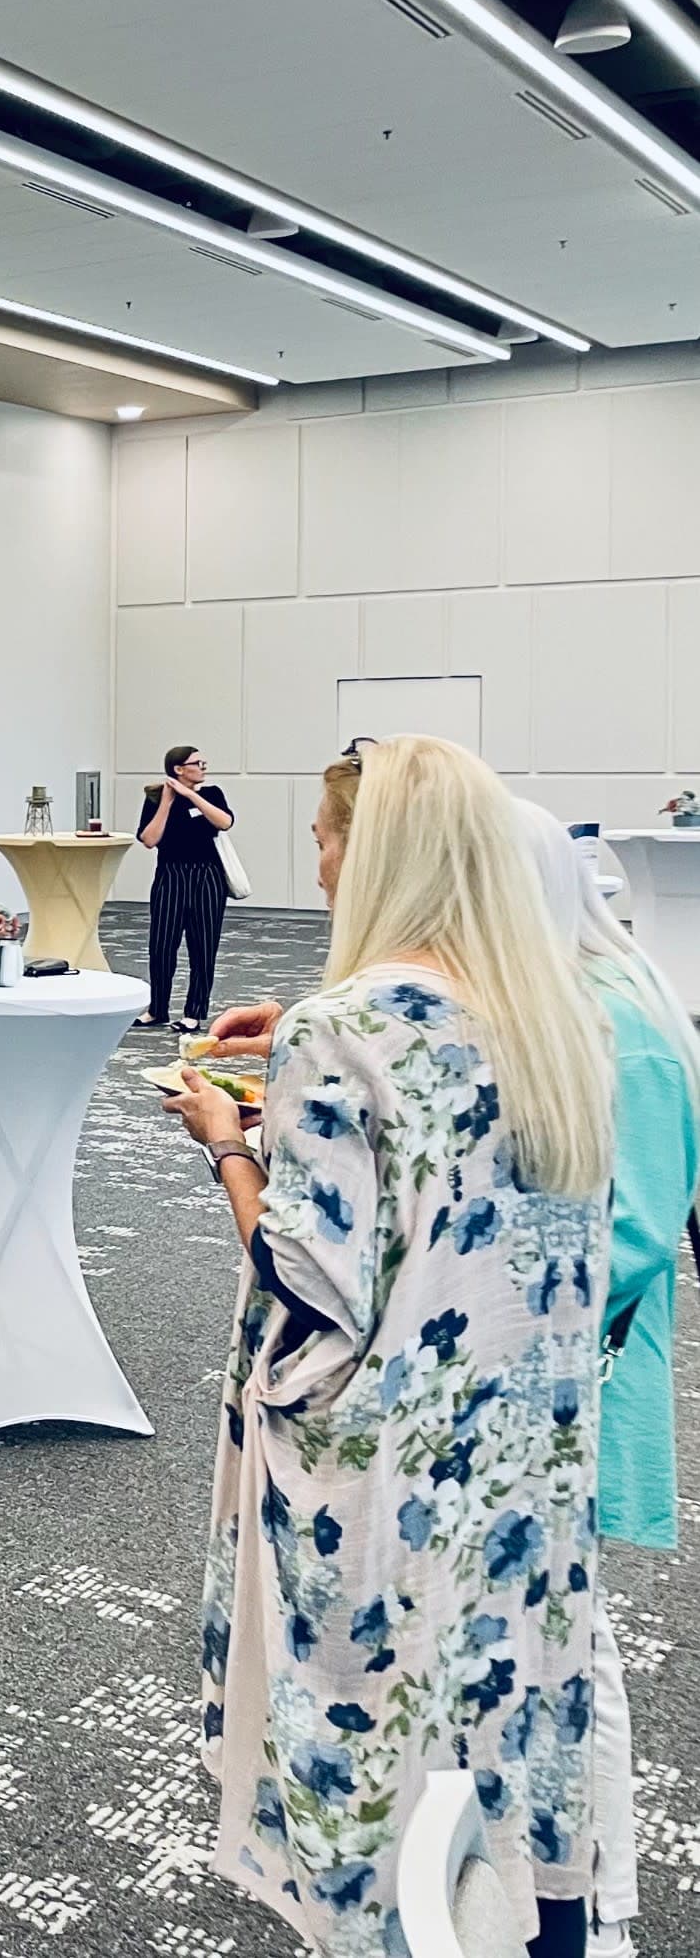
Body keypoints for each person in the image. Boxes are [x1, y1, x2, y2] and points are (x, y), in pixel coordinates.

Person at [164, 735, 610, 1958]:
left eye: (324, 836)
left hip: (380, 1461)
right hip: (518, 1451)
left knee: (375, 1736)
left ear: (379, 854)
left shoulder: (340, 1027)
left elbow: (309, 1278)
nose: (314, 861)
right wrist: (291, 1070)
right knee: (504, 1717)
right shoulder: (554, 1017)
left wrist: (227, 1141)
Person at [508, 798, 691, 1958]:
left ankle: (604, 1904)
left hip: (580, 1373)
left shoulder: (618, 1015)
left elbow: (634, 1233)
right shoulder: (560, 994)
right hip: (535, 1371)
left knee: (577, 1649)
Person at [136, 743, 234, 1030]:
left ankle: (194, 1012)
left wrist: (191, 795)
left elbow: (225, 822)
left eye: (203, 763)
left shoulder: (212, 794)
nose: (203, 768)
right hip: (171, 874)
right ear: (179, 769)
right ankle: (157, 1009)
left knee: (203, 946)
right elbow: (149, 839)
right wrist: (167, 802)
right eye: (197, 763)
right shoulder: (155, 798)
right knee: (161, 944)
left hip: (207, 876)